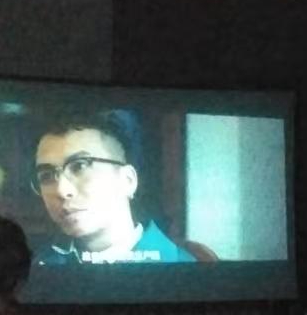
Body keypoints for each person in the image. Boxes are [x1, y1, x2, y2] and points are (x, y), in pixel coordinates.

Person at [31, 110, 197, 266]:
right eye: (46, 176)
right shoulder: (37, 266)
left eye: (79, 166)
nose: (61, 190)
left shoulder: (183, 268)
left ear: (128, 180)